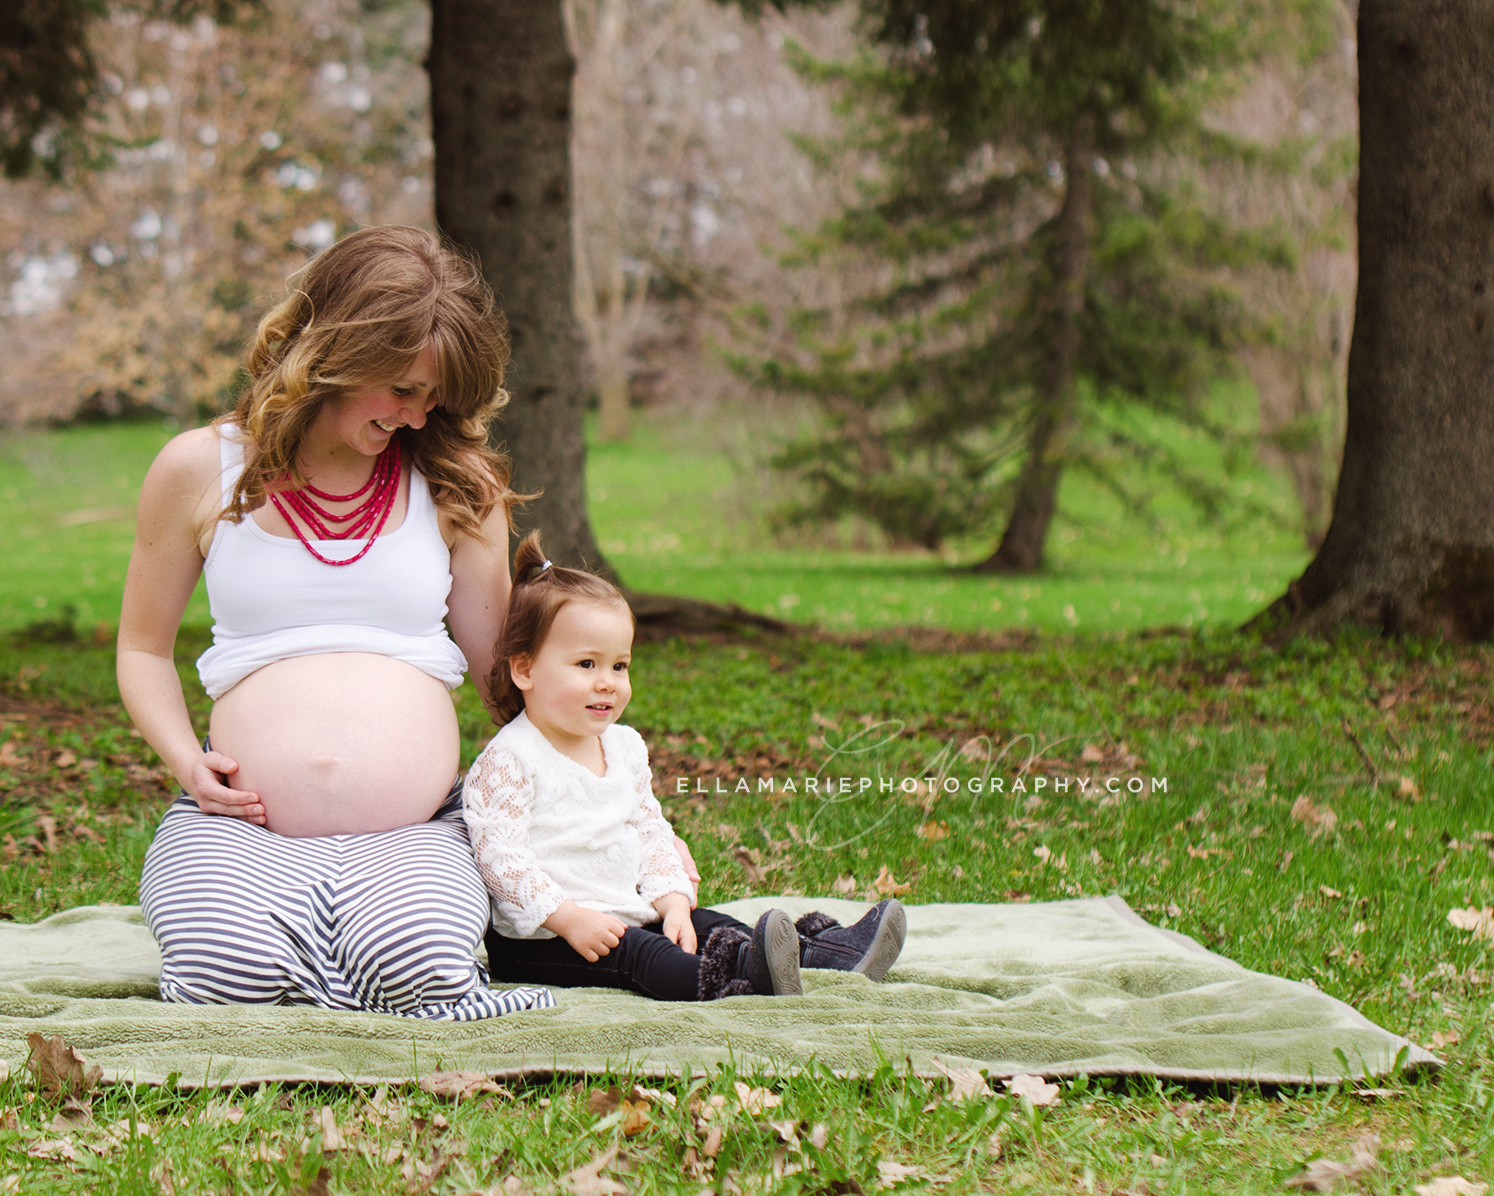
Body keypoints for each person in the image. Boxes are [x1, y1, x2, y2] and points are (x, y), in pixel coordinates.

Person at [118, 225, 563, 1019]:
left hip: (413, 829)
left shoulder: (454, 486)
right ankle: (287, 950)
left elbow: (505, 679)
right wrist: (188, 761)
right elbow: (142, 649)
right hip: (242, 827)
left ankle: (365, 946)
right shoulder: (198, 468)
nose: (419, 415)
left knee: (424, 961)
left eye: (436, 396)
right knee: (220, 966)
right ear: (332, 352)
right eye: (402, 388)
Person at [463, 533, 907, 1001]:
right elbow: (501, 861)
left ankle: (824, 954)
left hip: (625, 908)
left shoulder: (623, 746)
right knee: (643, 956)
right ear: (525, 669)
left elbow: (651, 831)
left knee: (703, 923)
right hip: (544, 937)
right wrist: (569, 917)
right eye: (587, 663)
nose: (607, 683)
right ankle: (735, 980)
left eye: (620, 666)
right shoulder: (511, 759)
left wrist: (673, 902)